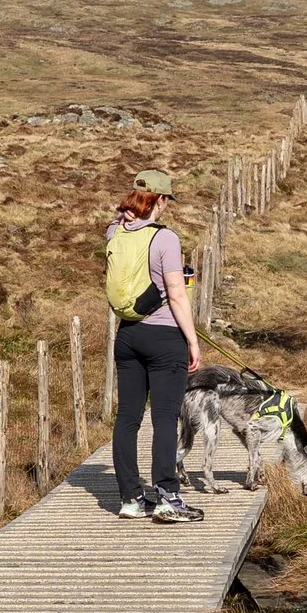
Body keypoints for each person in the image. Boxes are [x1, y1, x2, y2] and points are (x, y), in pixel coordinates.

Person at [104, 170, 206, 522]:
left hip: (128, 335)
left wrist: (122, 216)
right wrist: (192, 341)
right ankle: (167, 497)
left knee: (128, 418)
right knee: (165, 418)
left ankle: (131, 499)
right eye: (166, 200)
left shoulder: (114, 231)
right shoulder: (166, 240)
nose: (166, 207)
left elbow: (118, 229)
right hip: (164, 338)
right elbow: (177, 293)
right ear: (160, 200)